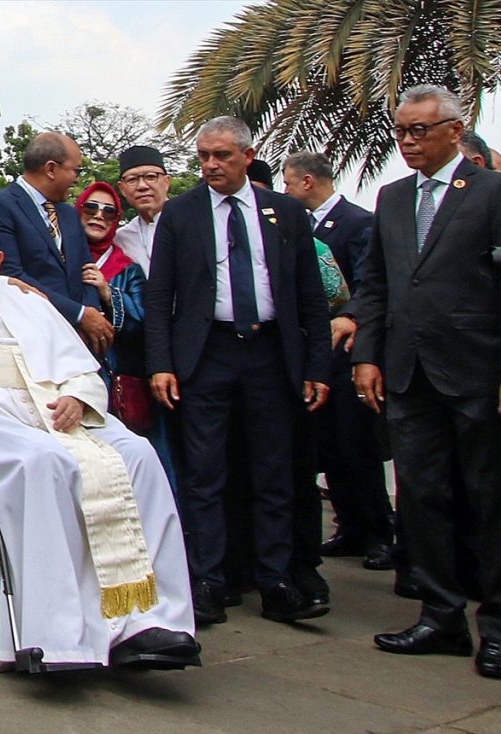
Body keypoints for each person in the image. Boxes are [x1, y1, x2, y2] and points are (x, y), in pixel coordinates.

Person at [0, 221, 199, 668]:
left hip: (51, 405)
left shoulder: (26, 300)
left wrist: (79, 397)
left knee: (138, 455)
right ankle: (58, 631)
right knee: (45, 460)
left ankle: (149, 619)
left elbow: (79, 366)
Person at [145, 116, 332, 627]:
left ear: (247, 157)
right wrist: (161, 363)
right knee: (205, 473)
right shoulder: (181, 215)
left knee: (274, 471)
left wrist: (317, 364)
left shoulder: (286, 213)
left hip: (271, 355)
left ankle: (275, 579)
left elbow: (310, 296)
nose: (210, 166)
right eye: (203, 156)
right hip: (207, 356)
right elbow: (160, 295)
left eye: (222, 156)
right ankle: (208, 580)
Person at [347, 85, 501, 679]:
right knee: (421, 496)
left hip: (477, 371)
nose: (408, 140)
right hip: (408, 374)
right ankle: (441, 616)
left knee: (491, 499)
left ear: (454, 130)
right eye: (401, 130)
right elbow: (376, 285)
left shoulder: (494, 191)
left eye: (420, 130)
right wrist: (367, 355)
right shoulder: (391, 199)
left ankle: (500, 626)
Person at [281, 151, 393, 570]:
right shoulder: (295, 226)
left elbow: (369, 284)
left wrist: (350, 317)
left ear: (307, 181)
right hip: (312, 351)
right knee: (326, 444)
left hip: (348, 350)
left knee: (355, 443)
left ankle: (380, 532)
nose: (286, 192)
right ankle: (350, 527)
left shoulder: (358, 223)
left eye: (290, 184)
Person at [0, 132, 113, 356]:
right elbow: (12, 275)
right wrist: (77, 314)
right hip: (32, 338)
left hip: (81, 343)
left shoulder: (68, 214)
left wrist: (91, 315)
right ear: (51, 169)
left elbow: (86, 272)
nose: (77, 179)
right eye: (76, 170)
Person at [74, 181, 176, 486]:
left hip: (121, 379)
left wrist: (108, 292)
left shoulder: (127, 268)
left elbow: (144, 319)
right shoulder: (61, 258)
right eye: (91, 208)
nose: (98, 216)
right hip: (71, 375)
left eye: (109, 211)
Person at [114, 146, 171, 275]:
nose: (142, 186)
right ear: (122, 188)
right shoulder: (121, 238)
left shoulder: (192, 221)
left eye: (151, 177)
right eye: (132, 180)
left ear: (166, 182)